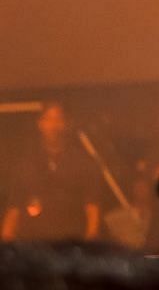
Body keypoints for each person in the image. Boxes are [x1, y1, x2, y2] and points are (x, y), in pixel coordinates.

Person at [0, 103, 106, 243]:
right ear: (40, 124)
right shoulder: (25, 164)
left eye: (58, 119)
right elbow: (14, 209)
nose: (53, 125)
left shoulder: (83, 163)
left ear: (66, 124)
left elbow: (92, 207)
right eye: (48, 119)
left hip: (71, 244)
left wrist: (90, 242)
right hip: (34, 245)